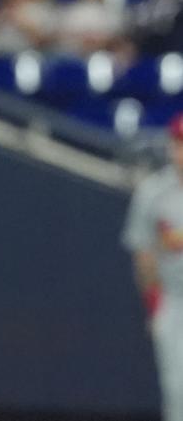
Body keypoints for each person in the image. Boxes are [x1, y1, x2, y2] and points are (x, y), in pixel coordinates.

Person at [122, 112, 183, 421]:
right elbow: (143, 253)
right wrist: (155, 304)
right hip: (175, 300)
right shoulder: (154, 192)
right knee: (178, 389)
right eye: (180, 143)